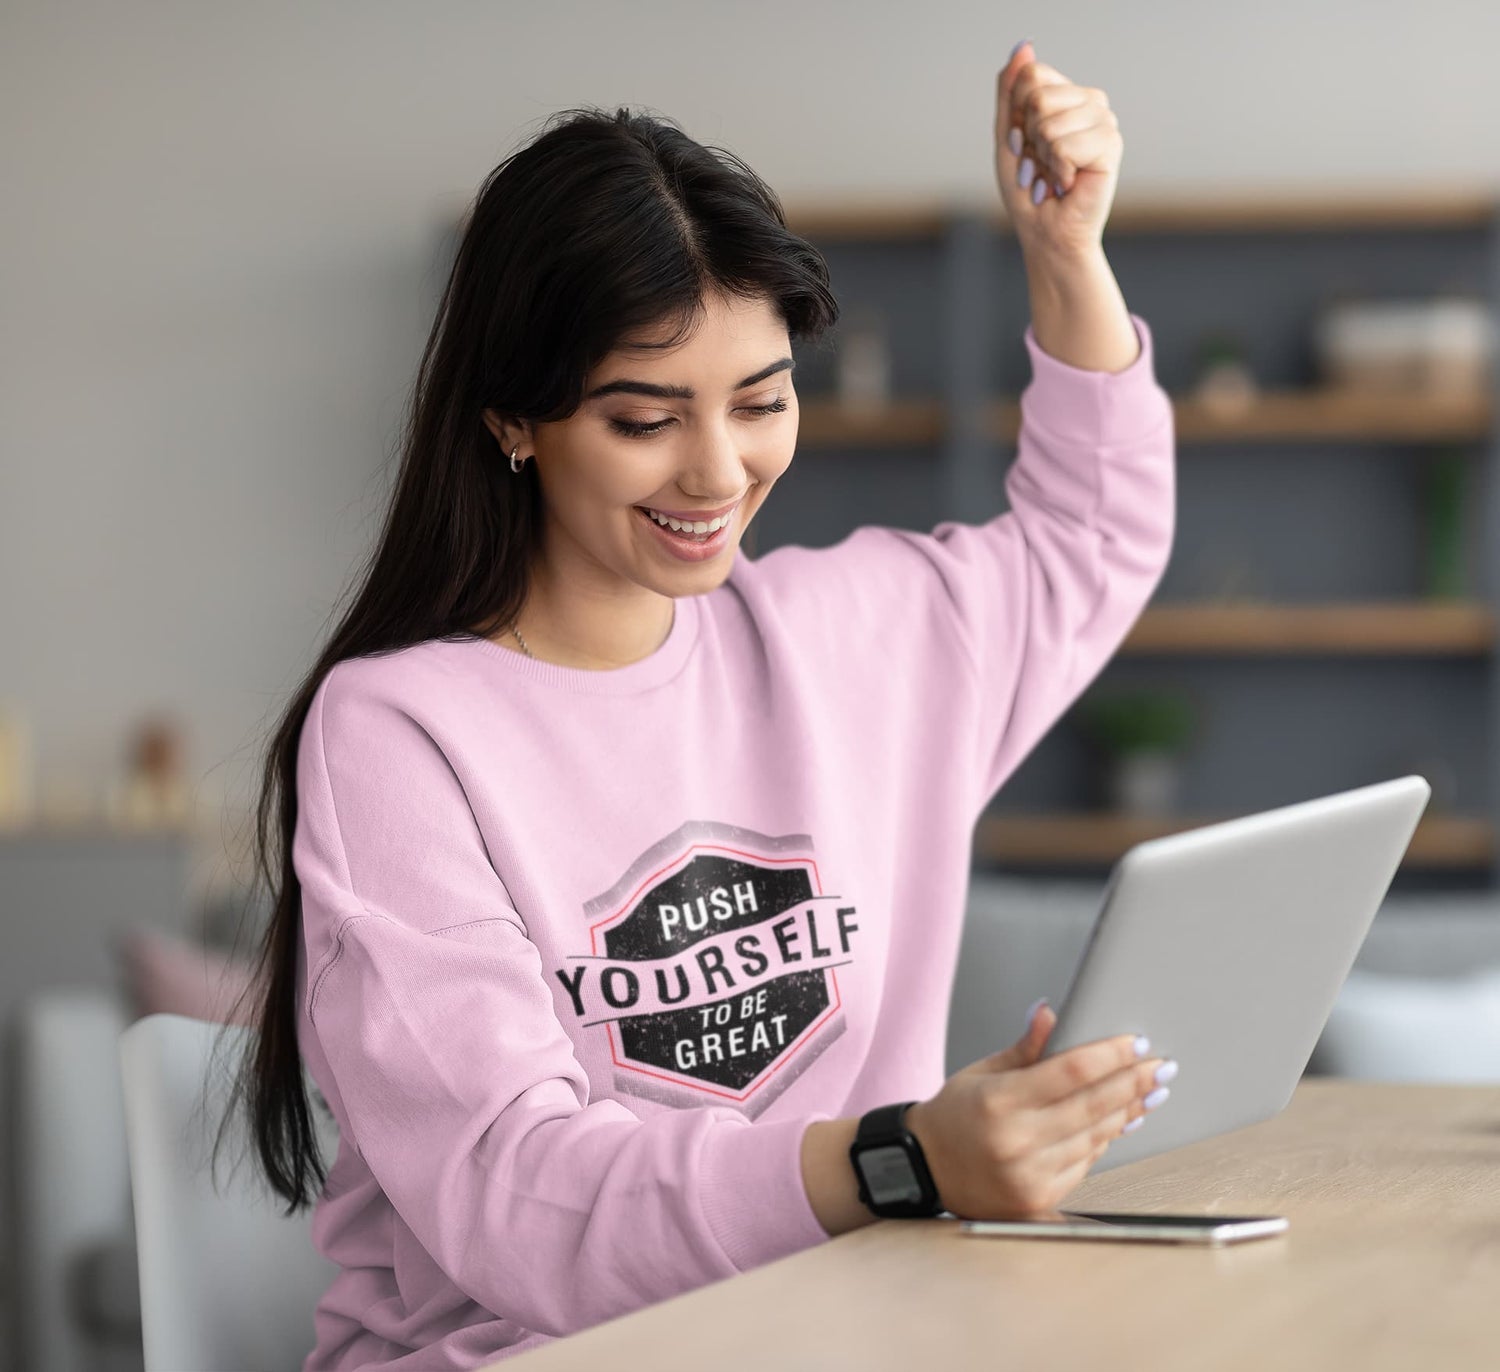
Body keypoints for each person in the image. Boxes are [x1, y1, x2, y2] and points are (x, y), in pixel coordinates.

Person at [215, 37, 1177, 1370]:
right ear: (514, 418)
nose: (718, 470)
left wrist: (1068, 253)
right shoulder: (399, 735)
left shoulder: (864, 641)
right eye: (644, 417)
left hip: (840, 1335)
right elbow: (517, 1192)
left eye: (762, 401)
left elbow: (1094, 534)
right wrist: (896, 1160)